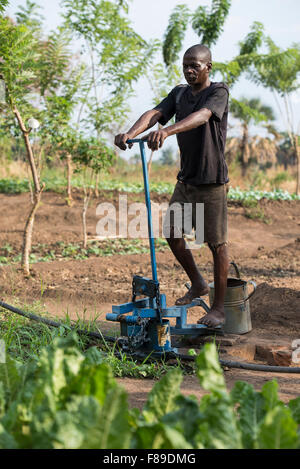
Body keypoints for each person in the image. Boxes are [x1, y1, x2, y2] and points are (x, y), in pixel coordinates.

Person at [114, 44, 229, 328]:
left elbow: (202, 116)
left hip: (211, 180)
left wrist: (167, 131)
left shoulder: (218, 92)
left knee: (216, 243)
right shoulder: (179, 93)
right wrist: (130, 133)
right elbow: (155, 113)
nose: (190, 71)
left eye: (196, 66)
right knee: (172, 233)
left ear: (208, 67)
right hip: (187, 179)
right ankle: (199, 283)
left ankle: (219, 308)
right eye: (186, 65)